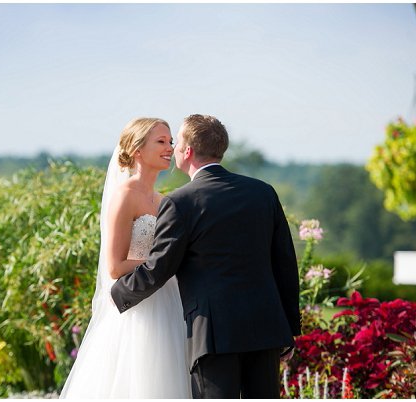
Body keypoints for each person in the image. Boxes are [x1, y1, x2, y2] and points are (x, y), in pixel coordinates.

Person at [110, 114, 299, 398]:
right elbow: (284, 263)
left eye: (176, 143)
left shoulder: (180, 202)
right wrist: (289, 329)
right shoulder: (263, 193)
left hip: (213, 334)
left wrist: (117, 294)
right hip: (266, 330)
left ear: (187, 152)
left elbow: (159, 268)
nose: (171, 149)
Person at [60, 118, 191, 398]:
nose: (170, 147)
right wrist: (163, 262)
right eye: (161, 141)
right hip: (139, 308)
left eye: (170, 142)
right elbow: (115, 266)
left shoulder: (162, 199)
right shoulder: (125, 196)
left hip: (170, 300)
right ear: (137, 149)